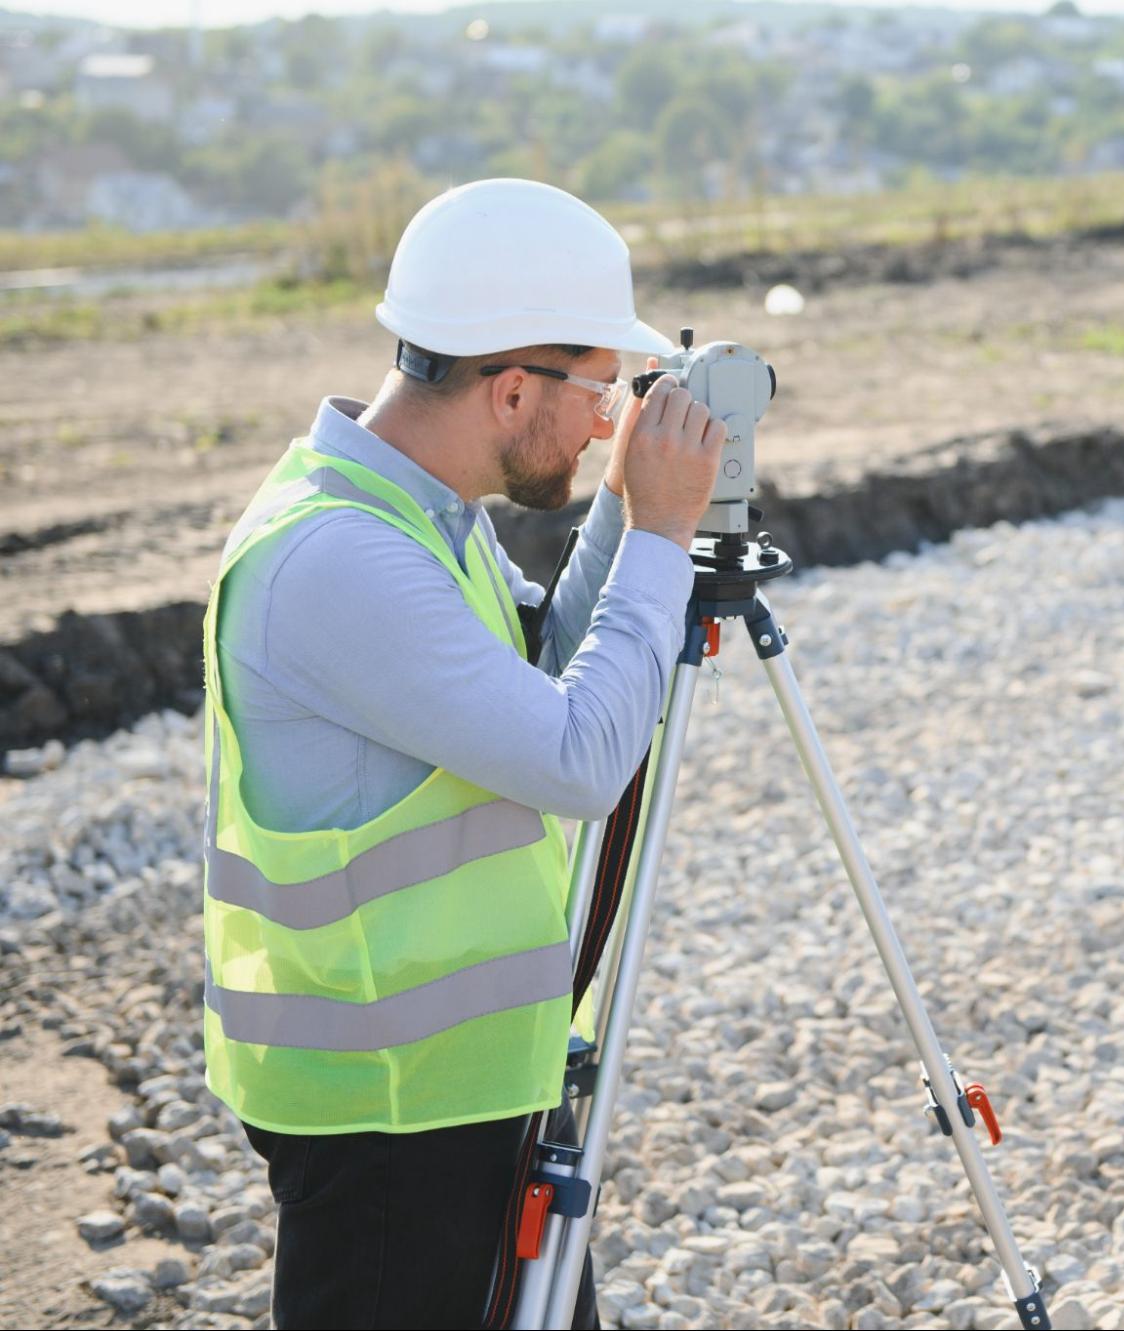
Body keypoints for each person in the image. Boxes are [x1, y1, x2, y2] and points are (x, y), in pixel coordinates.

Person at [199, 178, 725, 1329]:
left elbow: (542, 662)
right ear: (513, 386)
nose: (604, 418)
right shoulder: (339, 559)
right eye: (597, 388)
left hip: (459, 1089)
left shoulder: (419, 519)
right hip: (390, 1116)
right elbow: (581, 754)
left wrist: (630, 507)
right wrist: (663, 536)